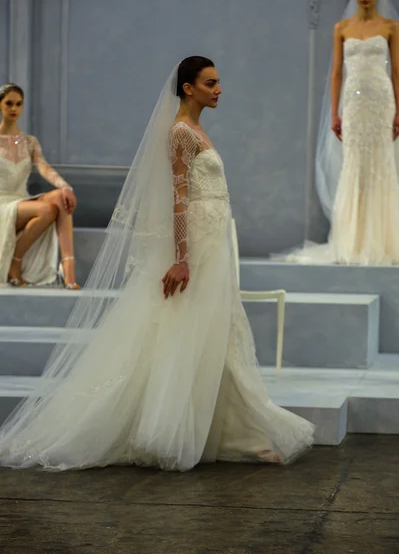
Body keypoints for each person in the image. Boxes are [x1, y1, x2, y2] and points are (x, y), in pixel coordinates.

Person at [0, 57, 314, 472]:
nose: (220, 90)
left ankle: (234, 429)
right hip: (197, 247)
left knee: (218, 333)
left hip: (212, 242)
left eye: (219, 83)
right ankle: (179, 426)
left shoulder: (197, 129)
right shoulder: (181, 132)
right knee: (188, 329)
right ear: (189, 88)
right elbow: (178, 197)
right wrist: (182, 259)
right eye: (211, 83)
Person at [289, 0, 399, 265]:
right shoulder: (342, 28)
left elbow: (397, 71)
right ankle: (352, 240)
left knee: (380, 164)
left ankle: (383, 240)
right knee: (355, 164)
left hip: (380, 100)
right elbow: (337, 72)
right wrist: (335, 112)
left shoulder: (391, 26)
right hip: (352, 102)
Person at [0, 83, 80, 288]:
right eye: (9, 103)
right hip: (2, 203)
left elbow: (43, 167)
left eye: (18, 104)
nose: (14, 109)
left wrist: (66, 187)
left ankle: (69, 271)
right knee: (46, 209)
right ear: (0, 105)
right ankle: (15, 263)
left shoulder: (29, 141)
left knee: (60, 198)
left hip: (20, 200)